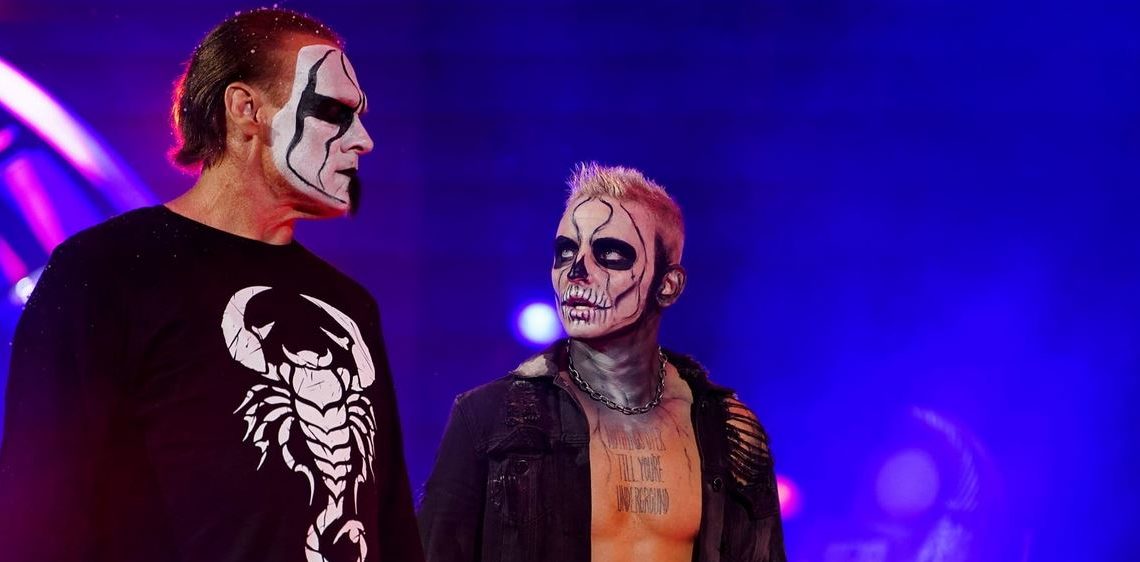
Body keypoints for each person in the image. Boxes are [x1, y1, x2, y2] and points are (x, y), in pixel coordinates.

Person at [0, 8, 423, 562]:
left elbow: (389, 521)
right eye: (333, 112)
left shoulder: (349, 305)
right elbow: (37, 517)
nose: (362, 140)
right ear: (246, 109)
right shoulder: (103, 272)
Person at [418, 163, 787, 561]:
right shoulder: (486, 417)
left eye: (610, 254)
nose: (576, 272)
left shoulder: (728, 431)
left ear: (668, 285)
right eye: (565, 252)